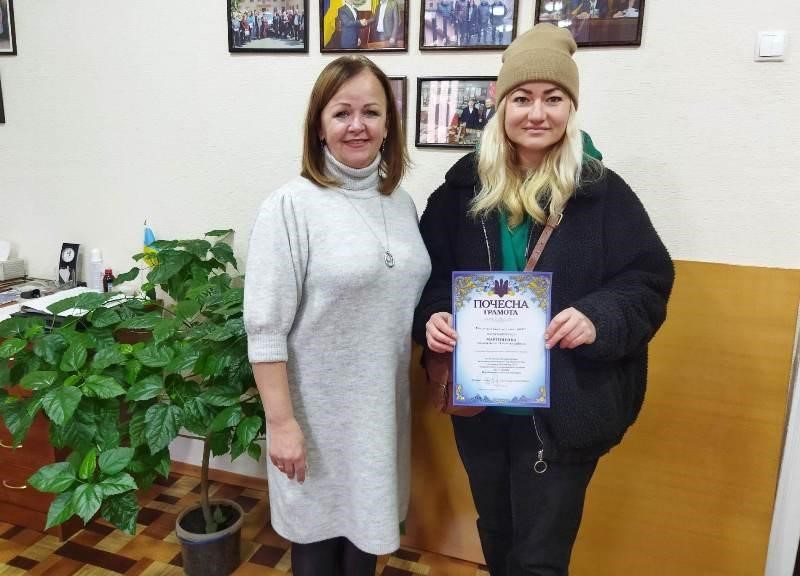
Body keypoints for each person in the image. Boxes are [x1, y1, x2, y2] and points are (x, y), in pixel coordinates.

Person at [412, 24, 673, 576]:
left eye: (553, 99)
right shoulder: (460, 193)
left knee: (540, 558)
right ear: (501, 105)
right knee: (496, 531)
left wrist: (598, 318)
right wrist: (432, 317)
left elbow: (647, 280)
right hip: (480, 408)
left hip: (565, 409)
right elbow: (427, 278)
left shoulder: (602, 193)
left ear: (570, 109)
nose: (537, 113)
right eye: (522, 98)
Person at [245, 55, 431, 576]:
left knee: (365, 545)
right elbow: (265, 329)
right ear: (319, 127)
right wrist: (282, 423)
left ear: (389, 125)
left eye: (371, 112)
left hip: (381, 417)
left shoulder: (401, 204)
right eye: (342, 113)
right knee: (318, 548)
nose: (357, 125)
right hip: (316, 420)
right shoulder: (290, 206)